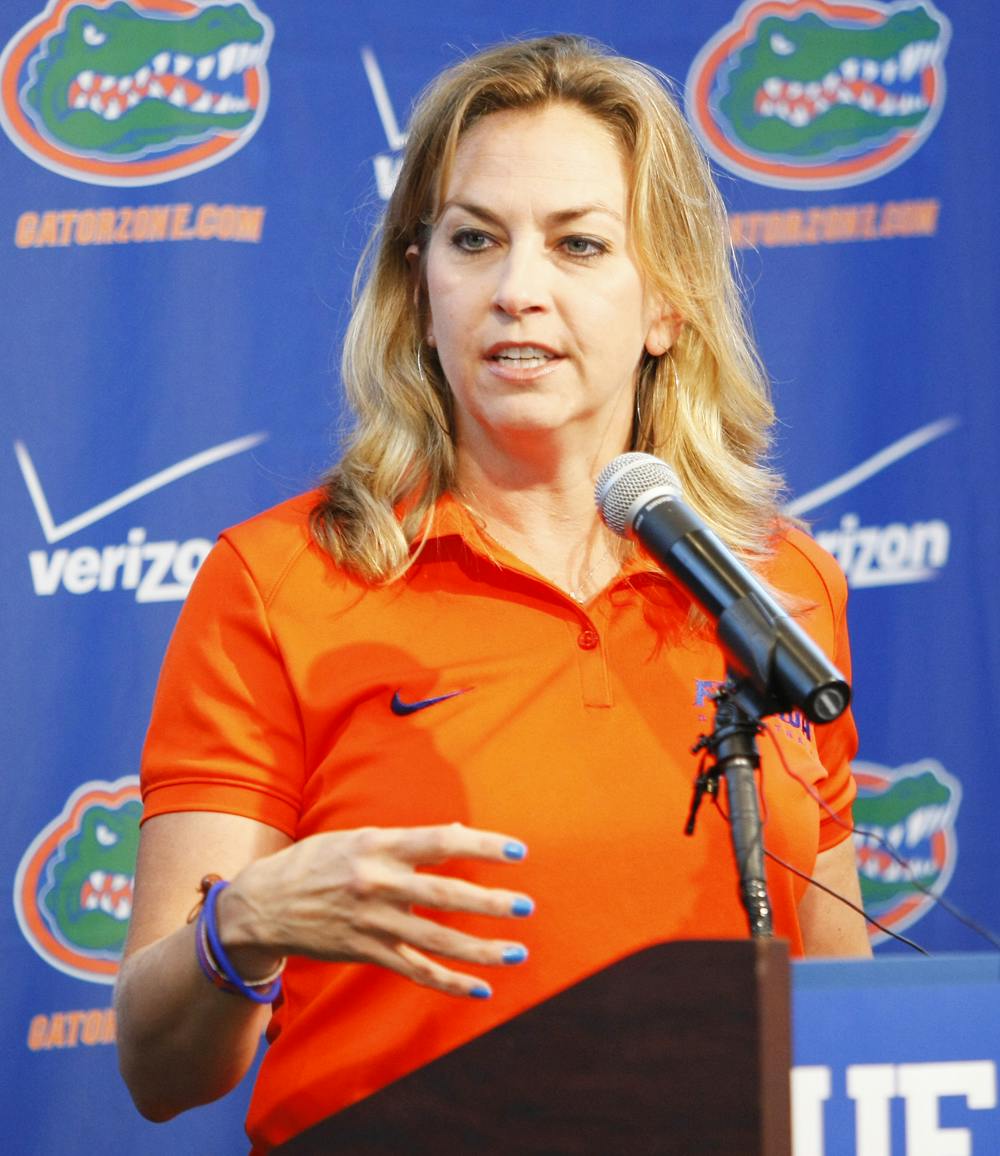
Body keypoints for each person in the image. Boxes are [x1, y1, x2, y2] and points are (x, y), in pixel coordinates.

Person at [115, 33, 871, 1153]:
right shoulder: (280, 582)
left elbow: (844, 1013)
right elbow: (159, 1068)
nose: (519, 290)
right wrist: (249, 925)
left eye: (578, 244)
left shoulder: (772, 583)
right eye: (475, 240)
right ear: (420, 291)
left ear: (665, 304)